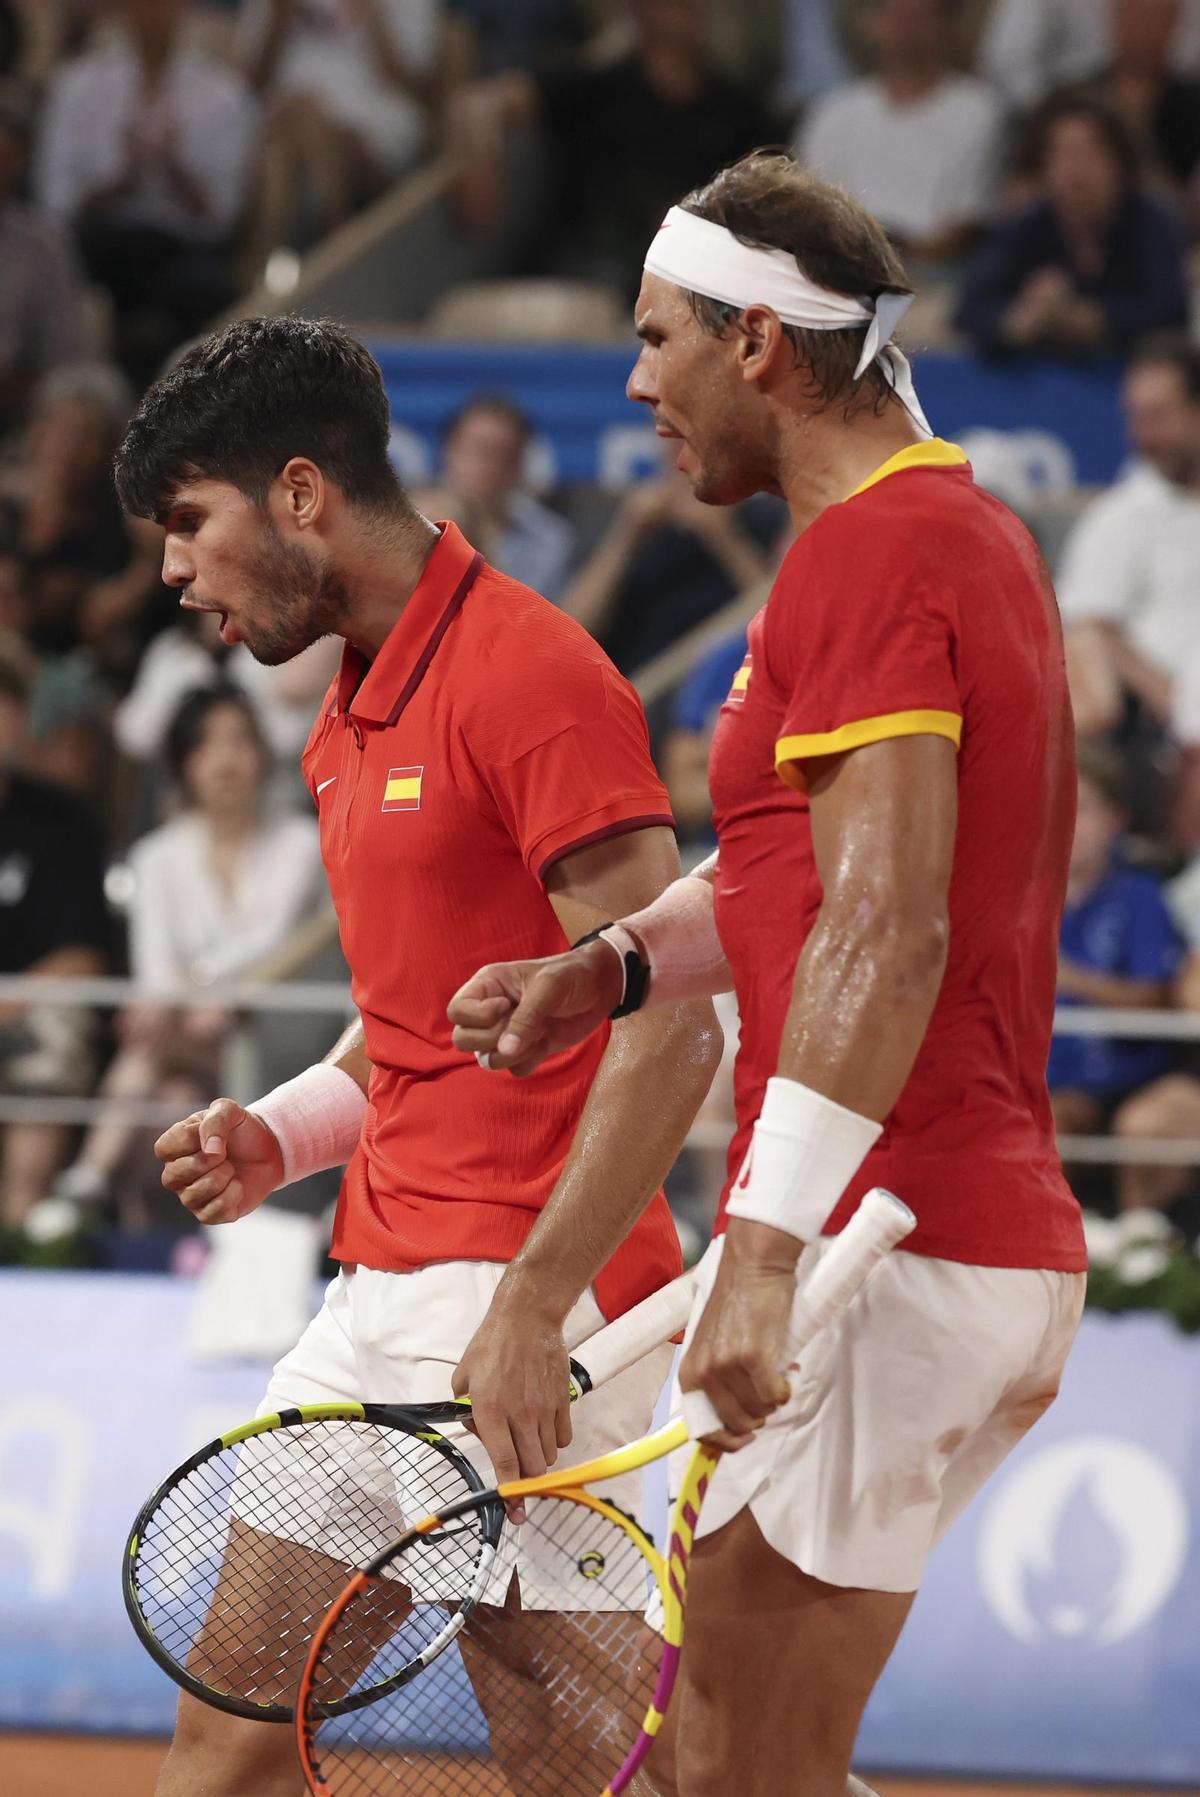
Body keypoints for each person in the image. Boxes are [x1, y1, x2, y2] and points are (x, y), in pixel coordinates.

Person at [449, 149, 1087, 1797]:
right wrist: (610, 967)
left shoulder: (879, 551)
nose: (635, 383)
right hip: (935, 1224)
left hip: (888, 1234)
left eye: (656, 338)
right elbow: (795, 871)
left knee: (732, 1769)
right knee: (717, 1759)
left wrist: (763, 1250)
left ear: (758, 347)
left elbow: (889, 925)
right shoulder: (935, 534)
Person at [112, 314, 719, 1797]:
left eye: (190, 522)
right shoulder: (343, 702)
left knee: (582, 1768)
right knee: (223, 1746)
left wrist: (535, 1302)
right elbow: (413, 1021)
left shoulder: (532, 673)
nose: (174, 569)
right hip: (373, 1295)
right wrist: (286, 1131)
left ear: (301, 494)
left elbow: (670, 1015)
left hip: (530, 1307)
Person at [52, 684, 326, 1222]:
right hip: (184, 1037)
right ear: (184, 763)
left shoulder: (300, 843)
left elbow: (271, 940)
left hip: (272, 1031)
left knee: (152, 1072)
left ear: (262, 754)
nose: (225, 759)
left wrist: (198, 986)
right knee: (171, 1099)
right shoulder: (155, 856)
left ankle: (87, 1180)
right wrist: (187, 999)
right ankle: (117, 1209)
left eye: (239, 740)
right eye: (207, 744)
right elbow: (152, 970)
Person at [451, 0, 774, 300]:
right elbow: (480, 102)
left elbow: (768, 201)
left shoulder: (738, 111)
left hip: (687, 277)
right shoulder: (594, 87)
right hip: (584, 268)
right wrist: (481, 162)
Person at [34, 0, 257, 383]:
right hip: (101, 242)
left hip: (180, 247)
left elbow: (221, 218)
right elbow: (57, 205)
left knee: (205, 291)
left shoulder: (224, 94)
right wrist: (121, 177)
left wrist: (173, 168)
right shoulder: (76, 87)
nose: (153, 13)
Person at [1048, 743, 1190, 1214]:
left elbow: (1157, 998)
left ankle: (1138, 1243)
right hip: (1039, 1078)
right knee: (1036, 1120)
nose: (1070, 821)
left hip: (1127, 1076)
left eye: (1085, 807)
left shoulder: (1139, 896)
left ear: (1116, 820)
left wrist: (1070, 978)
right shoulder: (1022, 897)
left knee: (1142, 1124)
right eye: (1059, 804)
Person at [0, 631, 108, 1226]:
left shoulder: (62, 819)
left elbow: (83, 957)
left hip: (27, 1008)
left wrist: (10, 1001)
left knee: (55, 1031)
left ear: (20, 719)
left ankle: (19, 1226)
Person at [955, 92, 1190, 361]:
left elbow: (1171, 312)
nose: (1077, 170)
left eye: (1091, 152)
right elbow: (969, 310)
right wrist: (1021, 317)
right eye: (1063, 154)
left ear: (1120, 164)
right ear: (1043, 168)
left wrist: (1093, 318)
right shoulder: (1024, 226)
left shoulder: (1151, 221)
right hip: (1038, 377)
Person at [1057, 334, 1200, 743]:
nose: (1143, 436)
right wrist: (1175, 705)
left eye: (1158, 416)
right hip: (1159, 737)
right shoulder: (1120, 517)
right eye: (1136, 418)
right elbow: (1089, 630)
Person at [796, 0, 1003, 266]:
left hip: (933, 272)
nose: (907, 28)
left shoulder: (979, 110)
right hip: (836, 268)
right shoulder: (831, 111)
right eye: (896, 14)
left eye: (921, 16)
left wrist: (898, 259)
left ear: (947, 23)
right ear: (872, 23)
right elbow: (807, 209)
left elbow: (966, 222)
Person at [236, 0, 442, 253]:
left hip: (371, 121)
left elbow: (419, 91)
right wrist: (279, 19)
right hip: (279, 117)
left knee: (298, 123)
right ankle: (337, 243)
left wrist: (372, 16)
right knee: (291, 130)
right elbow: (249, 83)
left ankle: (290, 252)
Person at [560, 458, 778, 676]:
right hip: (636, 684)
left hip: (724, 683)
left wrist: (723, 537)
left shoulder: (763, 522)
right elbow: (570, 634)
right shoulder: (632, 522)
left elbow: (777, 622)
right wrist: (625, 537)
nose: (682, 452)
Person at [412, 391, 576, 602]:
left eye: (507, 456)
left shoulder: (550, 539)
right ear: (448, 450)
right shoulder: (409, 523)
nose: (493, 468)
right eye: (482, 452)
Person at [0, 81, 92, 438]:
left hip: (16, 412)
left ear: (19, 168)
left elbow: (67, 364)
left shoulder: (44, 247)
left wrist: (16, 383)